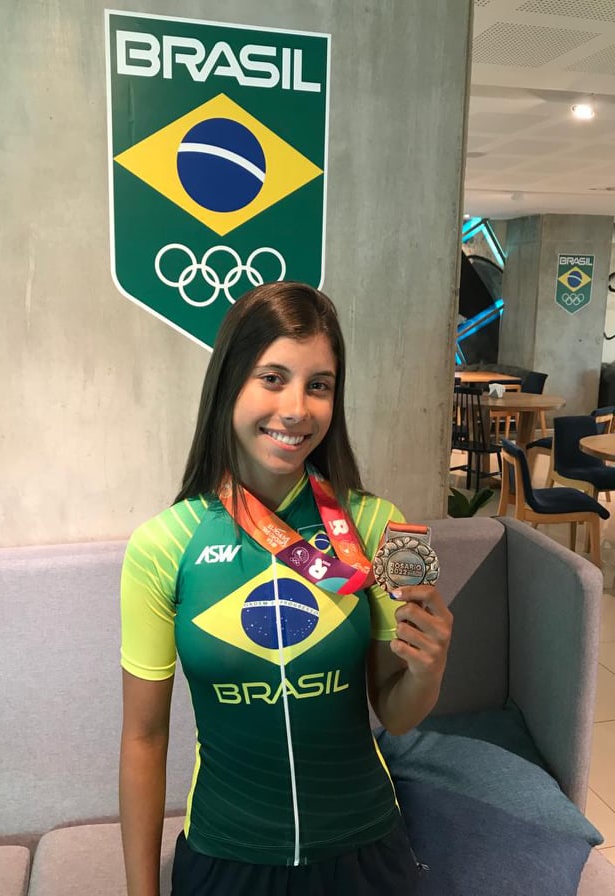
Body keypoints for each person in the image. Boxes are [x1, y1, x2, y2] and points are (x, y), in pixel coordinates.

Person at [119, 281, 453, 896]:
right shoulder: (164, 544)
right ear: (229, 384)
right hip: (226, 855)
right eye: (272, 378)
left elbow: (396, 714)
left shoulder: (375, 526)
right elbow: (144, 738)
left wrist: (428, 670)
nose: (297, 409)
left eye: (318, 385)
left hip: (366, 849)